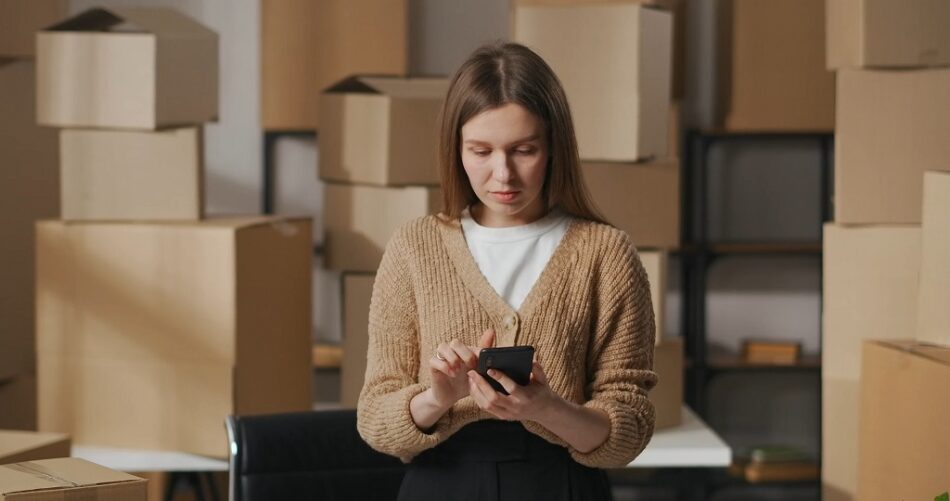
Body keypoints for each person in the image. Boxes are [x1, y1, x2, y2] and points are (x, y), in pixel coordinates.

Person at [356, 41, 657, 501]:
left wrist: (548, 408)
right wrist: (439, 396)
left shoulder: (606, 254)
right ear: (455, 148)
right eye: (481, 151)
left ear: (554, 146)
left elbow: (629, 430)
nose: (503, 174)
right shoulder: (415, 248)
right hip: (442, 484)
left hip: (562, 485)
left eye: (523, 150)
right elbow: (376, 422)